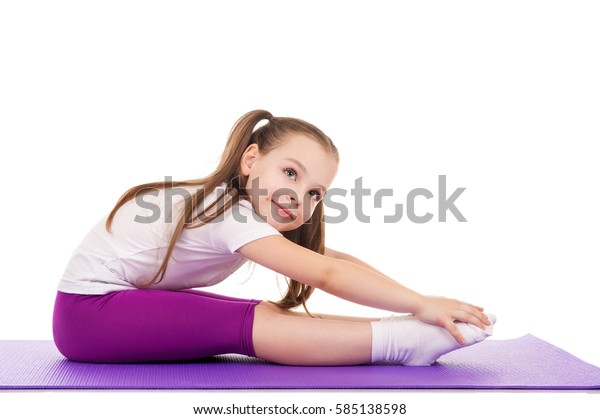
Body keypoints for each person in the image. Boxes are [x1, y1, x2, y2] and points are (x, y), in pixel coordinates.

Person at [53, 109, 495, 366]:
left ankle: (399, 333)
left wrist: (417, 299)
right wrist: (422, 305)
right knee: (245, 326)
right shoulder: (229, 213)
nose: (297, 197)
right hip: (89, 317)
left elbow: (333, 259)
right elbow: (326, 274)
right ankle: (400, 343)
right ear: (251, 160)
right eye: (289, 172)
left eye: (314, 192)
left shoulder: (238, 210)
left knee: (258, 312)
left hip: (99, 311)